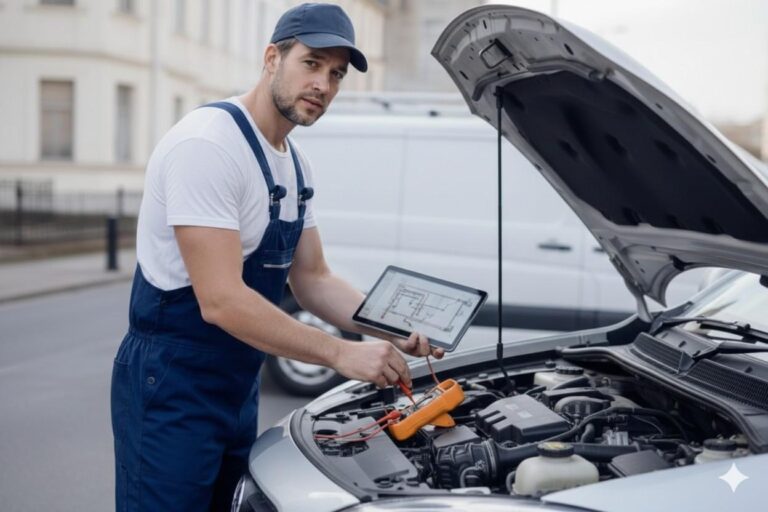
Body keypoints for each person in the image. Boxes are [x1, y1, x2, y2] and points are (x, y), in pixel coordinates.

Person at [110, 3, 443, 511]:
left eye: (335, 74)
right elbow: (221, 300)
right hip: (171, 383)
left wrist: (393, 327)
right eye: (311, 64)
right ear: (272, 58)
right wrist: (339, 352)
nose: (324, 85)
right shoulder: (208, 145)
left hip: (235, 386)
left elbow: (314, 278)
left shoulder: (295, 164)